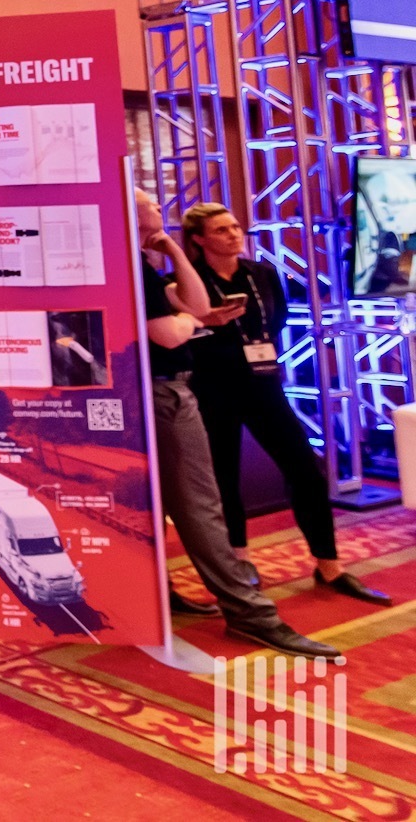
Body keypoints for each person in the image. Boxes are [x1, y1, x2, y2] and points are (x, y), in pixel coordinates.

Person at [134, 191, 339, 656]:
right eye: (149, 207)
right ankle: (249, 612)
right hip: (179, 390)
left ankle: (166, 592)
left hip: (216, 385)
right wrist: (194, 320)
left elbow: (199, 307)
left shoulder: (145, 263)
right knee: (202, 504)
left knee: (178, 501)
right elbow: (173, 329)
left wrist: (167, 251)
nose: (157, 211)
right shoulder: (133, 266)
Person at [181, 202, 389, 605]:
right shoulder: (187, 281)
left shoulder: (261, 273)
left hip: (263, 384)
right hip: (213, 389)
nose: (233, 234)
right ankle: (240, 563)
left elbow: (277, 320)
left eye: (235, 226)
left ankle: (329, 566)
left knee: (306, 471)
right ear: (199, 239)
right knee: (223, 478)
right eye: (221, 230)